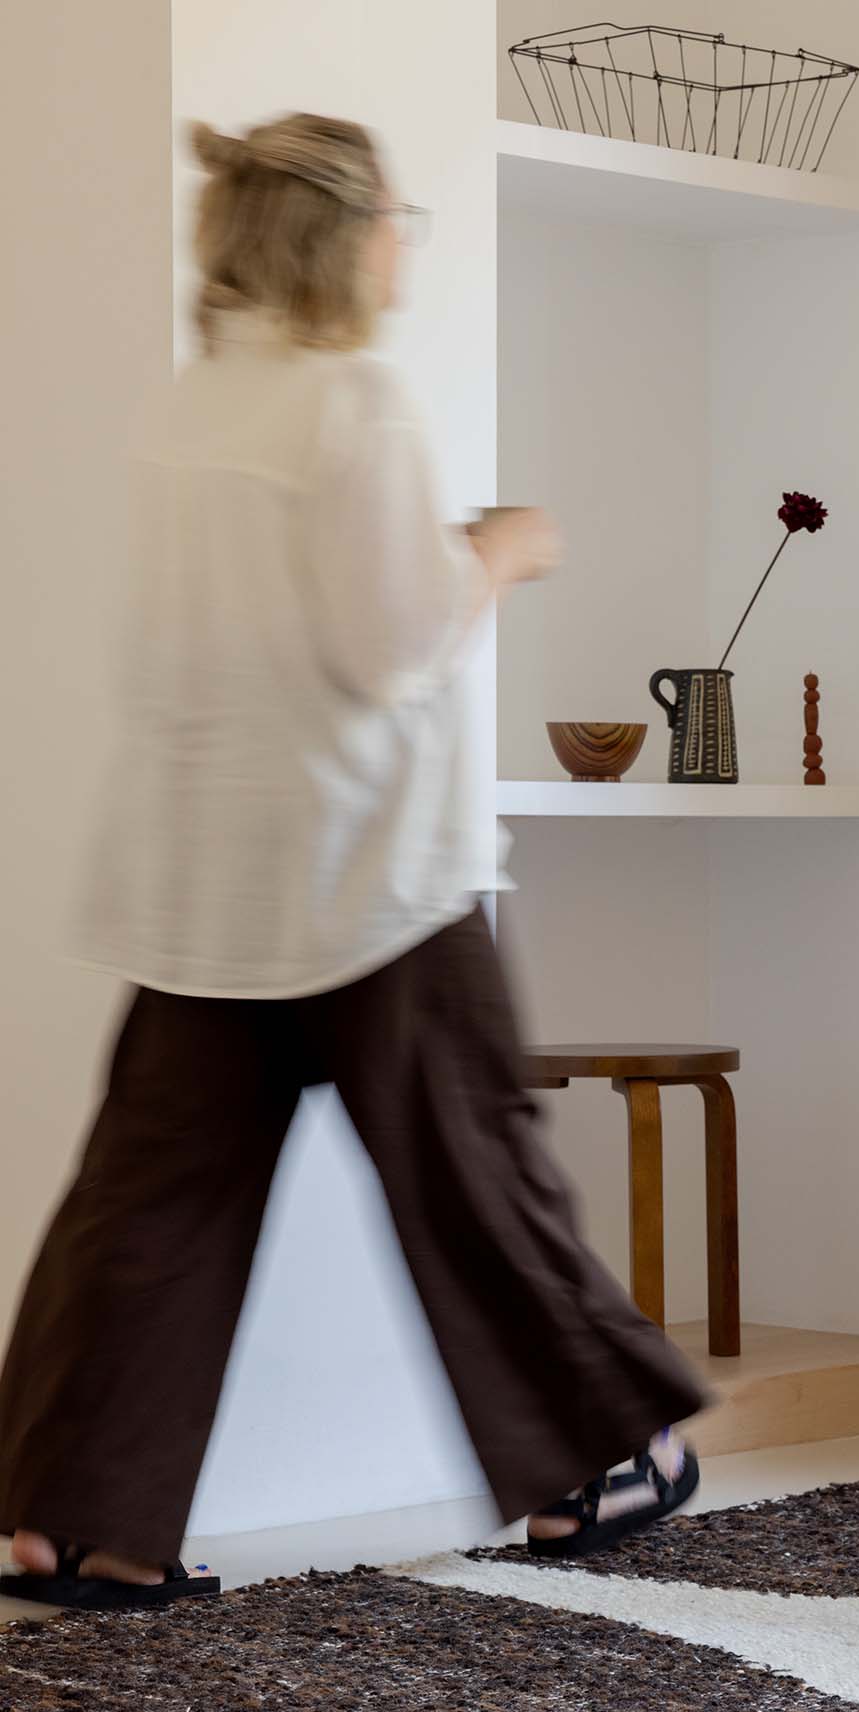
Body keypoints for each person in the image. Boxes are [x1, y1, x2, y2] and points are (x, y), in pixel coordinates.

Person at [0, 113, 704, 1610]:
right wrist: (500, 550)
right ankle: (602, 1463)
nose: (405, 242)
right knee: (477, 1176)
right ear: (339, 234)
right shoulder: (354, 405)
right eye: (398, 216)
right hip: (374, 880)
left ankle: (73, 1522)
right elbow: (391, 647)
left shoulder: (190, 406)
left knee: (150, 1210)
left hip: (200, 890)